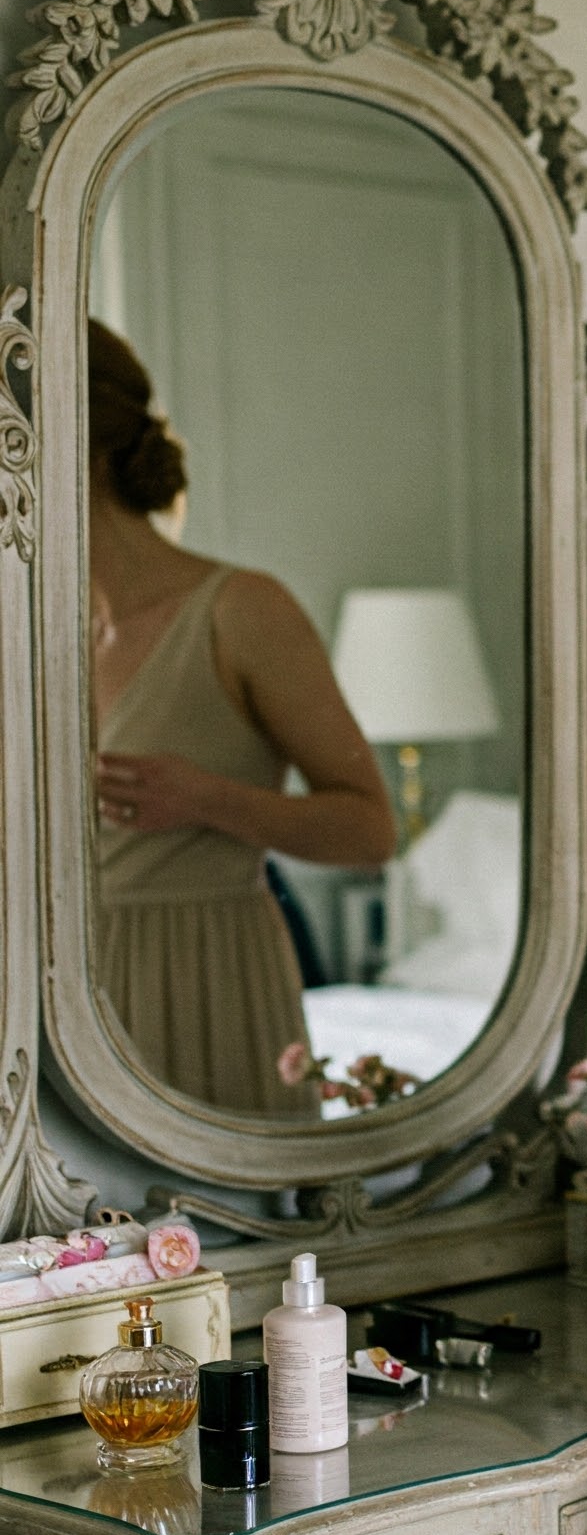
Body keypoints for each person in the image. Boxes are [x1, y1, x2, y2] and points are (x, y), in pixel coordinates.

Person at [88, 320, 395, 1113]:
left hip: (209, 978)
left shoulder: (241, 611)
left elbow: (371, 830)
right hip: (65, 1001)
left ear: (71, 442)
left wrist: (207, 800)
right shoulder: (34, 634)